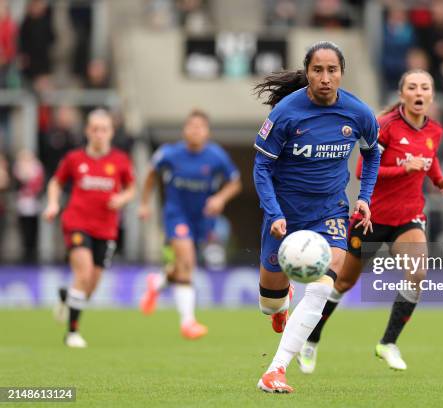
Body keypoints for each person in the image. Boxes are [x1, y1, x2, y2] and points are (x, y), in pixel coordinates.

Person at [296, 69, 443, 373]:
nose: (419, 92)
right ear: (402, 94)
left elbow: (429, 160)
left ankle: (388, 343)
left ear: (431, 96)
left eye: (425, 87)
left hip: (408, 218)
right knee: (342, 282)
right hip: (371, 217)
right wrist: (403, 168)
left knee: (417, 274)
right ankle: (311, 339)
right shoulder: (385, 127)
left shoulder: (435, 131)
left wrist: (440, 181)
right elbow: (362, 171)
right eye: (412, 87)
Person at [252, 41, 380, 393]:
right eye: (317, 70)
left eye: (332, 70)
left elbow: (372, 155)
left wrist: (365, 198)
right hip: (285, 215)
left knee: (323, 288)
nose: (325, 78)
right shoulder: (285, 113)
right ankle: (280, 305)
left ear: (342, 73)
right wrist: (274, 212)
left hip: (330, 211)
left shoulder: (359, 113)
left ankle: (275, 370)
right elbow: (261, 167)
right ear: (307, 72)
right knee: (269, 304)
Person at [138, 109, 241, 339]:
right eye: (191, 126)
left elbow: (235, 182)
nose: (195, 131)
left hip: (202, 218)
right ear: (184, 130)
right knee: (188, 262)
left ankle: (158, 281)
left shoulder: (216, 156)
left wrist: (220, 198)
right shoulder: (169, 154)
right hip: (176, 214)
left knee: (182, 267)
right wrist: (144, 203)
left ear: (207, 132)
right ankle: (188, 322)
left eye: (200, 127)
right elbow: (151, 175)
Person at [43, 108, 136, 348]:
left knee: (90, 288)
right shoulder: (75, 159)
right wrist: (53, 203)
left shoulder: (120, 160)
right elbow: (56, 182)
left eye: (104, 129)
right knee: (82, 275)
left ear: (111, 132)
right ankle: (72, 333)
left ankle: (67, 296)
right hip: (77, 223)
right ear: (87, 131)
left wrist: (122, 200)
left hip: (106, 229)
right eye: (94, 129)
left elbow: (131, 188)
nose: (99, 134)